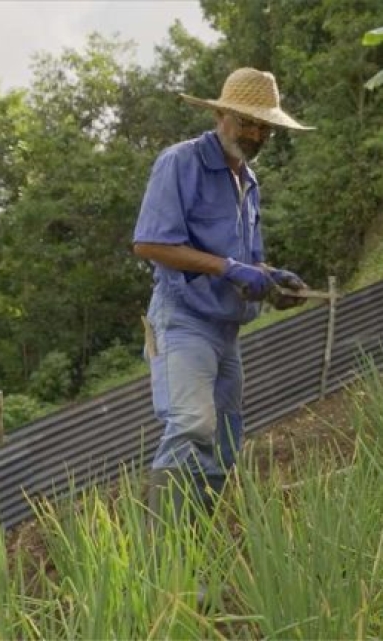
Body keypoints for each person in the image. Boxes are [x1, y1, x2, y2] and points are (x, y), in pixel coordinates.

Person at [132, 67, 314, 524]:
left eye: (263, 126)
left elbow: (246, 264)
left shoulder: (248, 183)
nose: (255, 133)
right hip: (183, 318)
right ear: (221, 114)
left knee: (225, 440)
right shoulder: (182, 162)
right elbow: (150, 243)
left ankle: (197, 551)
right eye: (246, 121)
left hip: (226, 328)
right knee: (192, 425)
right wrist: (228, 268)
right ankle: (167, 565)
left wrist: (272, 281)